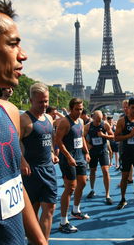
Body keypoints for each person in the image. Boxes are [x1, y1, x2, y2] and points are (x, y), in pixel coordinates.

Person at [0, 0, 46, 245]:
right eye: (13, 44)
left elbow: (15, 184)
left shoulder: (9, 112)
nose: (23, 55)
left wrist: (40, 240)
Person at [20, 83, 59, 243]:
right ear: (31, 100)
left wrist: (51, 152)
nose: (44, 105)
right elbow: (12, 142)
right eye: (40, 102)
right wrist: (22, 161)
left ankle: (45, 241)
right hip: (31, 172)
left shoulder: (49, 118)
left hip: (48, 169)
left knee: (50, 208)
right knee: (32, 211)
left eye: (46, 101)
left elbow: (49, 139)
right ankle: (33, 241)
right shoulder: (24, 120)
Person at [56, 98, 91, 233]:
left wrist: (86, 152)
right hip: (67, 159)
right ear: (71, 109)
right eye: (76, 109)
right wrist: (69, 157)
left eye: (81, 109)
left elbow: (81, 137)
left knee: (82, 183)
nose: (79, 111)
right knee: (70, 188)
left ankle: (76, 210)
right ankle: (63, 222)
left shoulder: (81, 121)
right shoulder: (65, 122)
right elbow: (58, 140)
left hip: (79, 157)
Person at [84, 110, 114, 204]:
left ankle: (107, 194)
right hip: (93, 151)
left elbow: (113, 136)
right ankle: (92, 189)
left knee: (105, 170)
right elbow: (82, 137)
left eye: (100, 120)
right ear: (93, 118)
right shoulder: (88, 126)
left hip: (102, 150)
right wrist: (87, 145)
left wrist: (103, 135)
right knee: (93, 170)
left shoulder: (105, 125)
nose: (98, 122)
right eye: (97, 120)